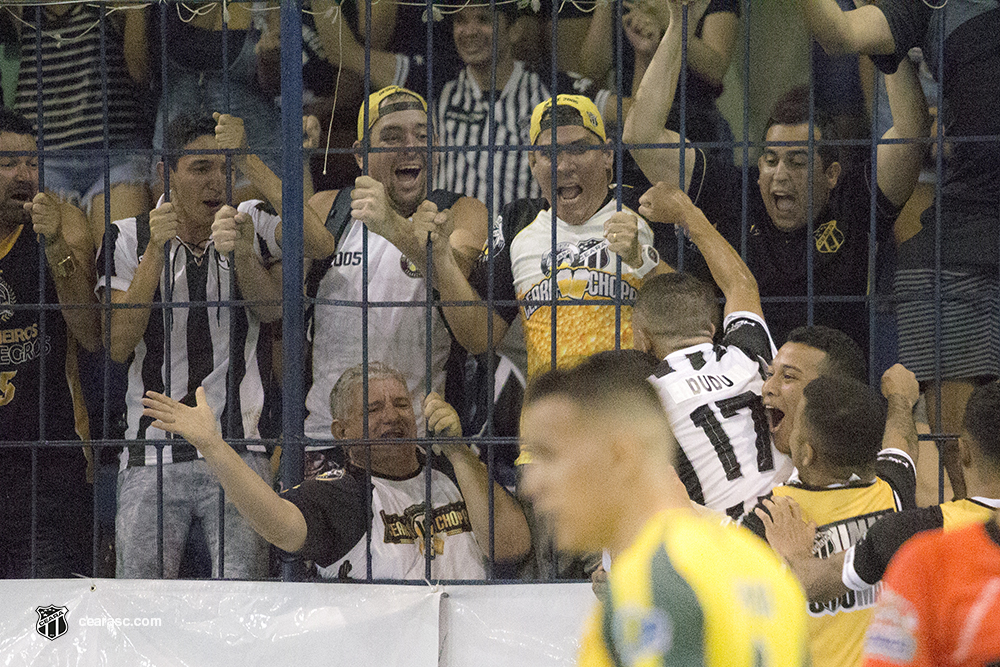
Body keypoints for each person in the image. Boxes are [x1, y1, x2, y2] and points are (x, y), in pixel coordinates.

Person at [623, 0, 930, 354]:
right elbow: (641, 137)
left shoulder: (854, 199)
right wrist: (679, 22)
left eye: (798, 162)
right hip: (746, 384)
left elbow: (912, 130)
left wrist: (886, 33)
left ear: (831, 174)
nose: (779, 175)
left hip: (829, 388)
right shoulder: (737, 192)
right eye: (770, 160)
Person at [794, 0, 1000, 502]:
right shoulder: (930, 5)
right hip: (964, 246)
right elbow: (840, 34)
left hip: (963, 249)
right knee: (965, 460)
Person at [518, 352, 810, 665]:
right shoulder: (757, 564)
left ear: (620, 455)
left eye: (549, 456)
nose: (530, 484)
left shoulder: (654, 583)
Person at [97, 113, 283, 579]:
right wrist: (156, 252)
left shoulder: (253, 223)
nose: (216, 180)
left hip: (240, 447)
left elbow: (279, 305)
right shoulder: (125, 235)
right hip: (151, 451)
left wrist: (242, 251)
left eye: (225, 168)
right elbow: (118, 345)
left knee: (244, 609)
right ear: (166, 175)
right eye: (201, 168)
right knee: (141, 609)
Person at [141, 362, 531, 580]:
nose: (391, 416)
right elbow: (279, 525)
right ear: (341, 433)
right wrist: (214, 446)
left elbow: (513, 546)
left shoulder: (454, 471)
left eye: (400, 404)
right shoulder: (344, 492)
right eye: (373, 409)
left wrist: (462, 455)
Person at [295, 86, 488, 441]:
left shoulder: (461, 211)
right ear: (360, 155)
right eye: (392, 136)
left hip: (416, 443)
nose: (410, 146)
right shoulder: (328, 208)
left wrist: (392, 227)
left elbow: (456, 280)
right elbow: (276, 301)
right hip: (326, 437)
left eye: (422, 135)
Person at [432, 94, 672, 379]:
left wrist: (642, 259)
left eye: (579, 149)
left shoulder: (644, 208)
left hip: (628, 408)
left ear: (607, 154)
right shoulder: (516, 222)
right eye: (549, 153)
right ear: (533, 162)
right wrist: (441, 259)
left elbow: (691, 318)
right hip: (551, 414)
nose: (564, 165)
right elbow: (478, 337)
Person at [312, 0, 617, 217]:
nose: (469, 30)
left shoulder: (550, 86)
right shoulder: (435, 79)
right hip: (449, 240)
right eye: (461, 20)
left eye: (483, 19)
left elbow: (632, 115)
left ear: (512, 30)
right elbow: (346, 52)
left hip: (524, 243)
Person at [756, 380, 1000, 607]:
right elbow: (899, 447)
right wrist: (899, 399)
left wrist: (794, 555)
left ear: (963, 451)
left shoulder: (914, 530)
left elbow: (813, 584)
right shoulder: (893, 492)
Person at [633, 183, 792, 520]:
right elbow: (740, 284)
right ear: (713, 327)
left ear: (642, 339)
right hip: (792, 520)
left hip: (725, 547)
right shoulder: (749, 353)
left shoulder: (645, 398)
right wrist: (687, 212)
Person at [742, 372, 919, 667]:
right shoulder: (895, 492)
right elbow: (902, 443)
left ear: (807, 453)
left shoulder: (774, 518)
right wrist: (900, 399)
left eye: (798, 424)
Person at [0, 108, 97, 578]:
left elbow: (90, 333)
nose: (23, 175)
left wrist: (55, 244)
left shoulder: (65, 226)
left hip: (47, 464)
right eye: (7, 163)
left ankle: (51, 651)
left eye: (32, 163)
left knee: (49, 618)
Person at [12, 2, 152, 246]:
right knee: (63, 251)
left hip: (116, 152)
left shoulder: (112, 5)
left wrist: (134, 11)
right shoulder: (22, 8)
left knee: (119, 248)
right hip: (46, 158)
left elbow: (141, 72)